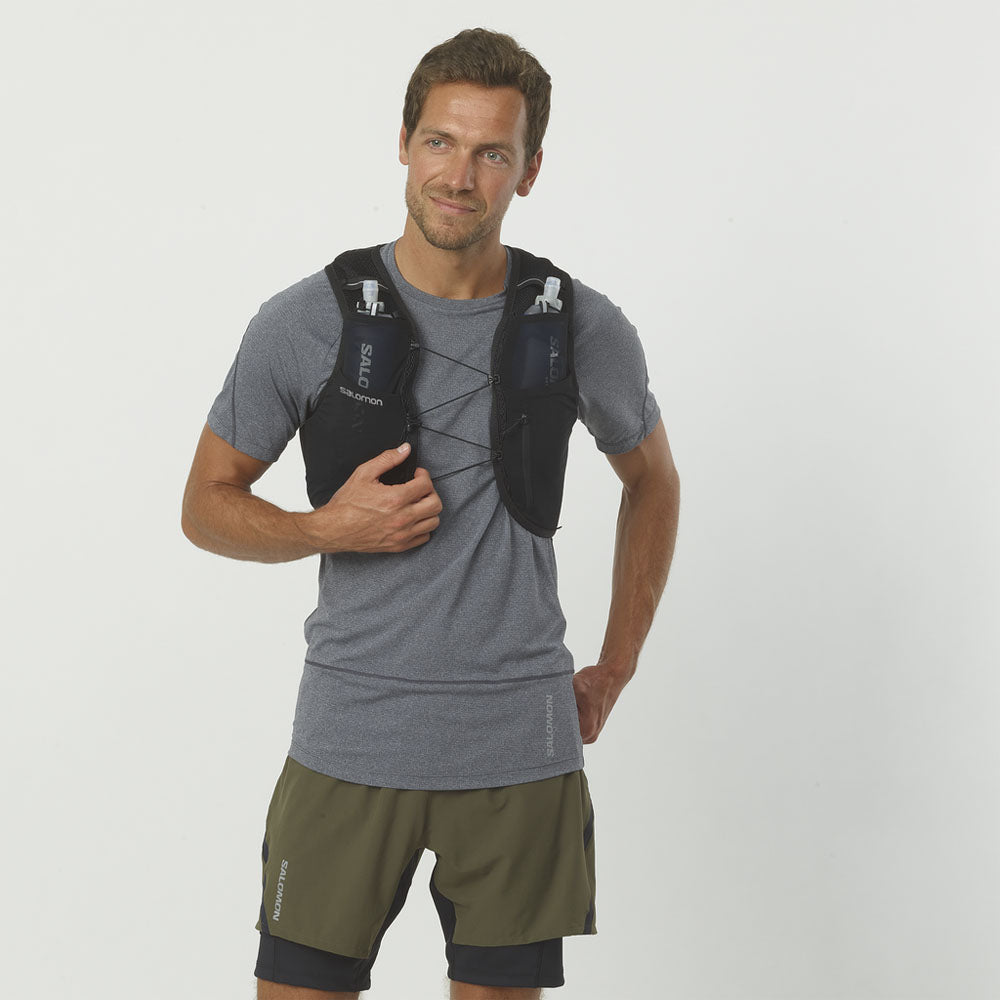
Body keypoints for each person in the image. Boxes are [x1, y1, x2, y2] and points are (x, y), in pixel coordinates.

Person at [181, 26, 680, 1000]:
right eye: (441, 141)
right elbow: (205, 503)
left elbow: (653, 479)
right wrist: (325, 528)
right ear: (404, 143)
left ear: (529, 170)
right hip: (349, 737)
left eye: (493, 152)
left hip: (520, 751)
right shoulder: (306, 319)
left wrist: (615, 664)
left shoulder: (581, 324)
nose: (460, 174)